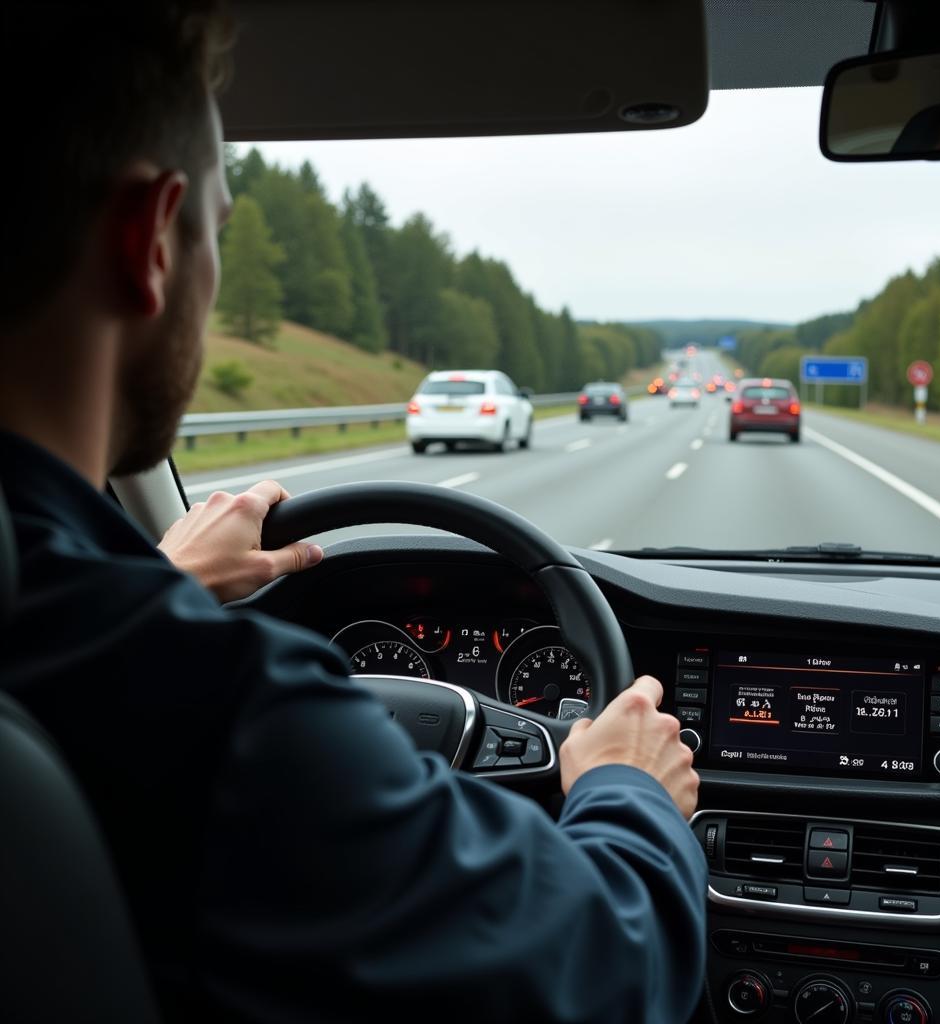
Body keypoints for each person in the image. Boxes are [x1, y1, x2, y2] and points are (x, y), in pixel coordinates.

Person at [0, 3, 706, 1022]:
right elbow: (602, 964)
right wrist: (623, 784)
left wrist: (150, 581)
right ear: (152, 238)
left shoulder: (66, 618)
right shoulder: (230, 719)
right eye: (219, 230)